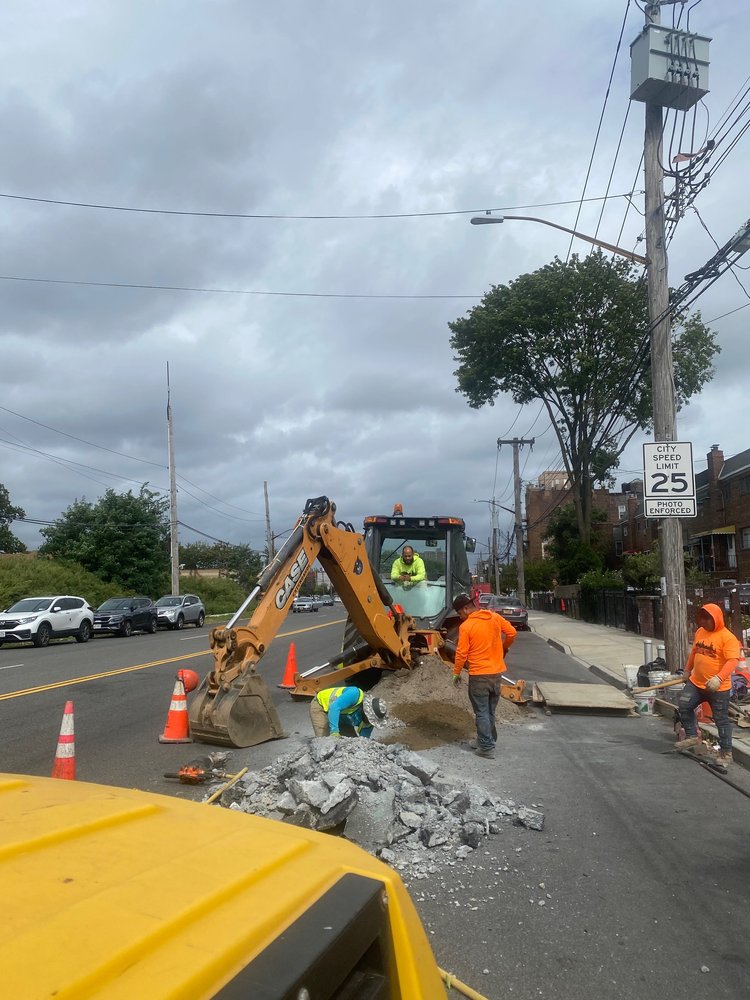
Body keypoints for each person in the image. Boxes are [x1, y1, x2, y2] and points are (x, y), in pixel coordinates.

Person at [452, 592, 517, 759]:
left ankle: (487, 747)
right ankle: (485, 740)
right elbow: (512, 633)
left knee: (481, 711)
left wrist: (456, 672)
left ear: (466, 609)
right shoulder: (494, 617)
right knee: (489, 711)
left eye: (460, 613)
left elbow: (461, 653)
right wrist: (504, 648)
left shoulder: (466, 627)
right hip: (496, 675)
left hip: (479, 676)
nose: (460, 617)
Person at [674, 603, 739, 763]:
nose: (704, 622)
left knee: (720, 719)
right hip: (696, 683)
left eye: (707, 619)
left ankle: (726, 753)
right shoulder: (700, 632)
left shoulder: (728, 638)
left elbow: (732, 661)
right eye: (702, 619)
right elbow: (694, 652)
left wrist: (719, 678)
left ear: (716, 619)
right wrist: (687, 670)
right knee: (684, 705)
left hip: (718, 688)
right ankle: (691, 736)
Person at [309, 686, 388, 739]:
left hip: (341, 718)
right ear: (365, 711)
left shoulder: (369, 723)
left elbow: (363, 740)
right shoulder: (355, 694)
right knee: (324, 741)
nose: (370, 722)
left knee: (351, 742)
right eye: (370, 719)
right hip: (321, 706)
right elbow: (334, 707)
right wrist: (334, 731)